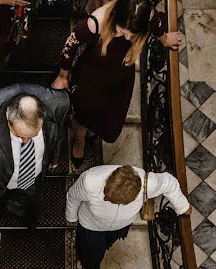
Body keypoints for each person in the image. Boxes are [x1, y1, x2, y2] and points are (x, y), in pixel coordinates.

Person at [51, 0, 183, 168]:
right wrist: (63, 77)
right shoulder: (96, 23)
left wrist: (164, 39)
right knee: (83, 116)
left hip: (120, 79)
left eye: (133, 34)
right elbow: (70, 46)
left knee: (107, 115)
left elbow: (155, 22)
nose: (128, 38)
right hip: (91, 77)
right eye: (122, 31)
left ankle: (94, 131)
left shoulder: (145, 13)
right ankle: (80, 141)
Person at [0, 85, 69, 233]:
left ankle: (21, 211)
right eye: (19, 135)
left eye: (32, 135)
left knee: (25, 200)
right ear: (8, 119)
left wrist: (55, 157)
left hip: (30, 178)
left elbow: (60, 133)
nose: (26, 141)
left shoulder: (59, 103)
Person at [66, 164, 191, 269]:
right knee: (89, 250)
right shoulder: (90, 181)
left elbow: (170, 183)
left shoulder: (148, 184)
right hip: (91, 225)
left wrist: (183, 207)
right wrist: (71, 217)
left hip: (121, 225)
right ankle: (86, 263)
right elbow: (72, 196)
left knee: (106, 243)